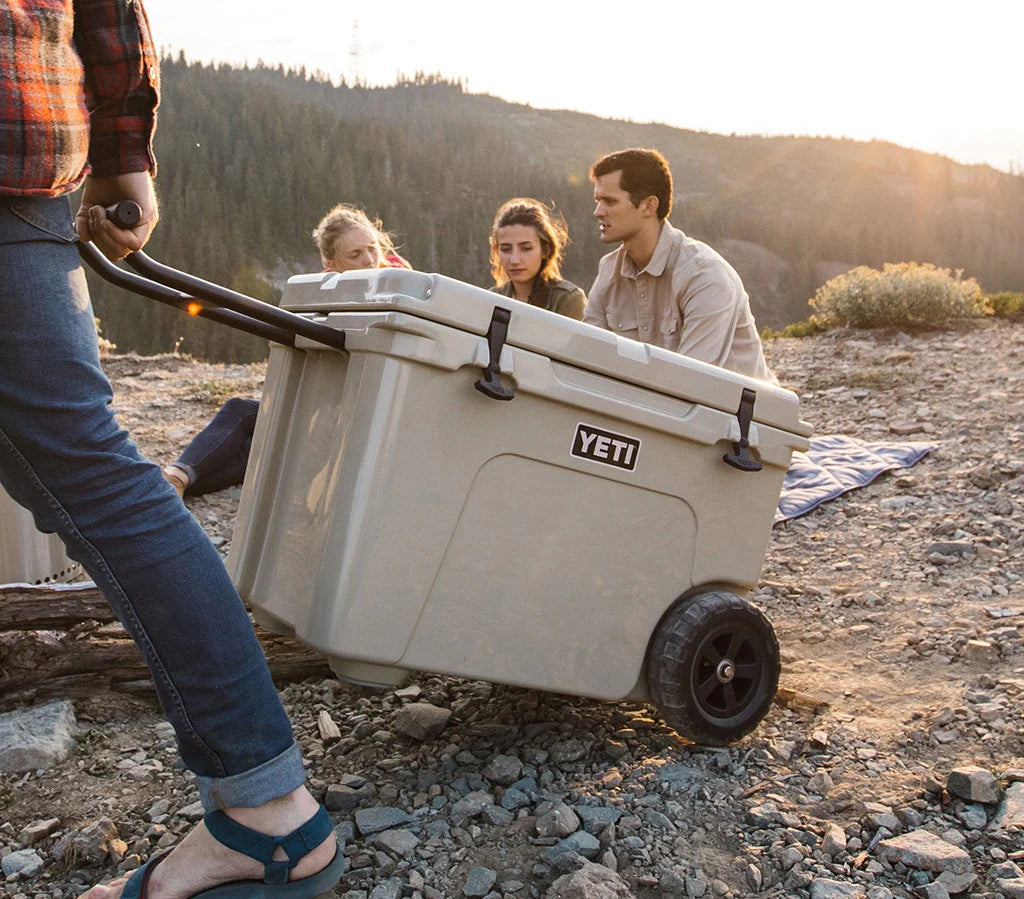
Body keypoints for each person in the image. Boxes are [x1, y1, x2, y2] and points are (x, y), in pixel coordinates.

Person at [0, 4, 344, 896]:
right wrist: (120, 155)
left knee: (97, 476)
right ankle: (268, 805)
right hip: (20, 137)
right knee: (97, 477)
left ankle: (268, 811)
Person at [162, 204, 410, 498]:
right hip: (329, 400)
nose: (370, 259)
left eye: (372, 248)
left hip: (371, 408)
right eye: (355, 255)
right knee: (245, 419)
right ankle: (174, 483)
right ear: (329, 262)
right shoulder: (326, 291)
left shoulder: (399, 280)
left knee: (263, 437)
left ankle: (170, 483)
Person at [584, 147, 775, 381]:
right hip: (655, 410)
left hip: (736, 415)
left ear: (648, 206)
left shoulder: (705, 275)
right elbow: (587, 358)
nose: (598, 212)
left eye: (610, 201)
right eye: (597, 200)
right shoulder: (609, 271)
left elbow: (689, 382)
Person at [488, 197, 586, 319]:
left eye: (526, 248)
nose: (514, 260)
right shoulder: (491, 299)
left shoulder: (567, 299)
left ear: (545, 250)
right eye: (506, 249)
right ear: (497, 251)